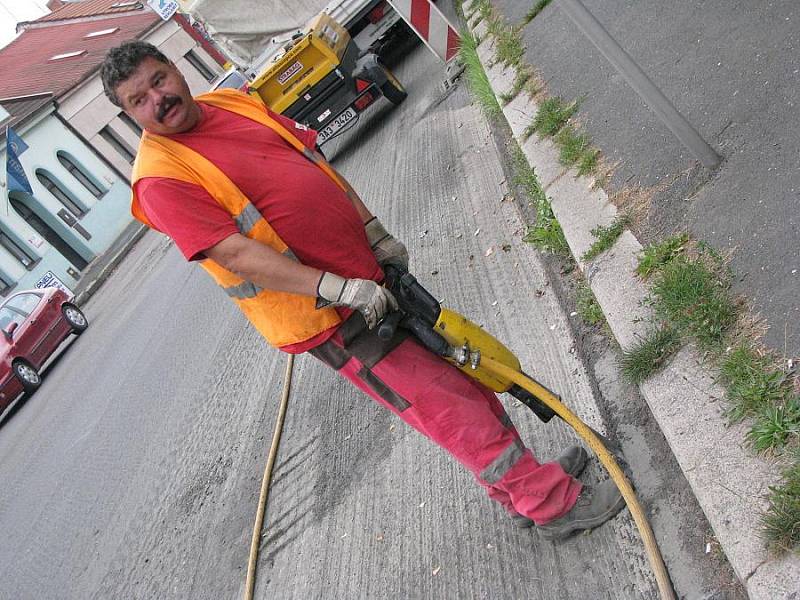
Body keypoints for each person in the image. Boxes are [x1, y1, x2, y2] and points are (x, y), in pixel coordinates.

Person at [99, 41, 625, 539]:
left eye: (159, 79)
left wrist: (372, 231)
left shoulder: (228, 103)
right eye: (138, 100)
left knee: (459, 375)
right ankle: (551, 505)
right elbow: (234, 253)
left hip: (367, 275)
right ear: (130, 116)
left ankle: (520, 490)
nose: (158, 99)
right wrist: (336, 288)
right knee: (444, 403)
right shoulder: (161, 179)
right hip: (331, 316)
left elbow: (312, 164)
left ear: (174, 69)